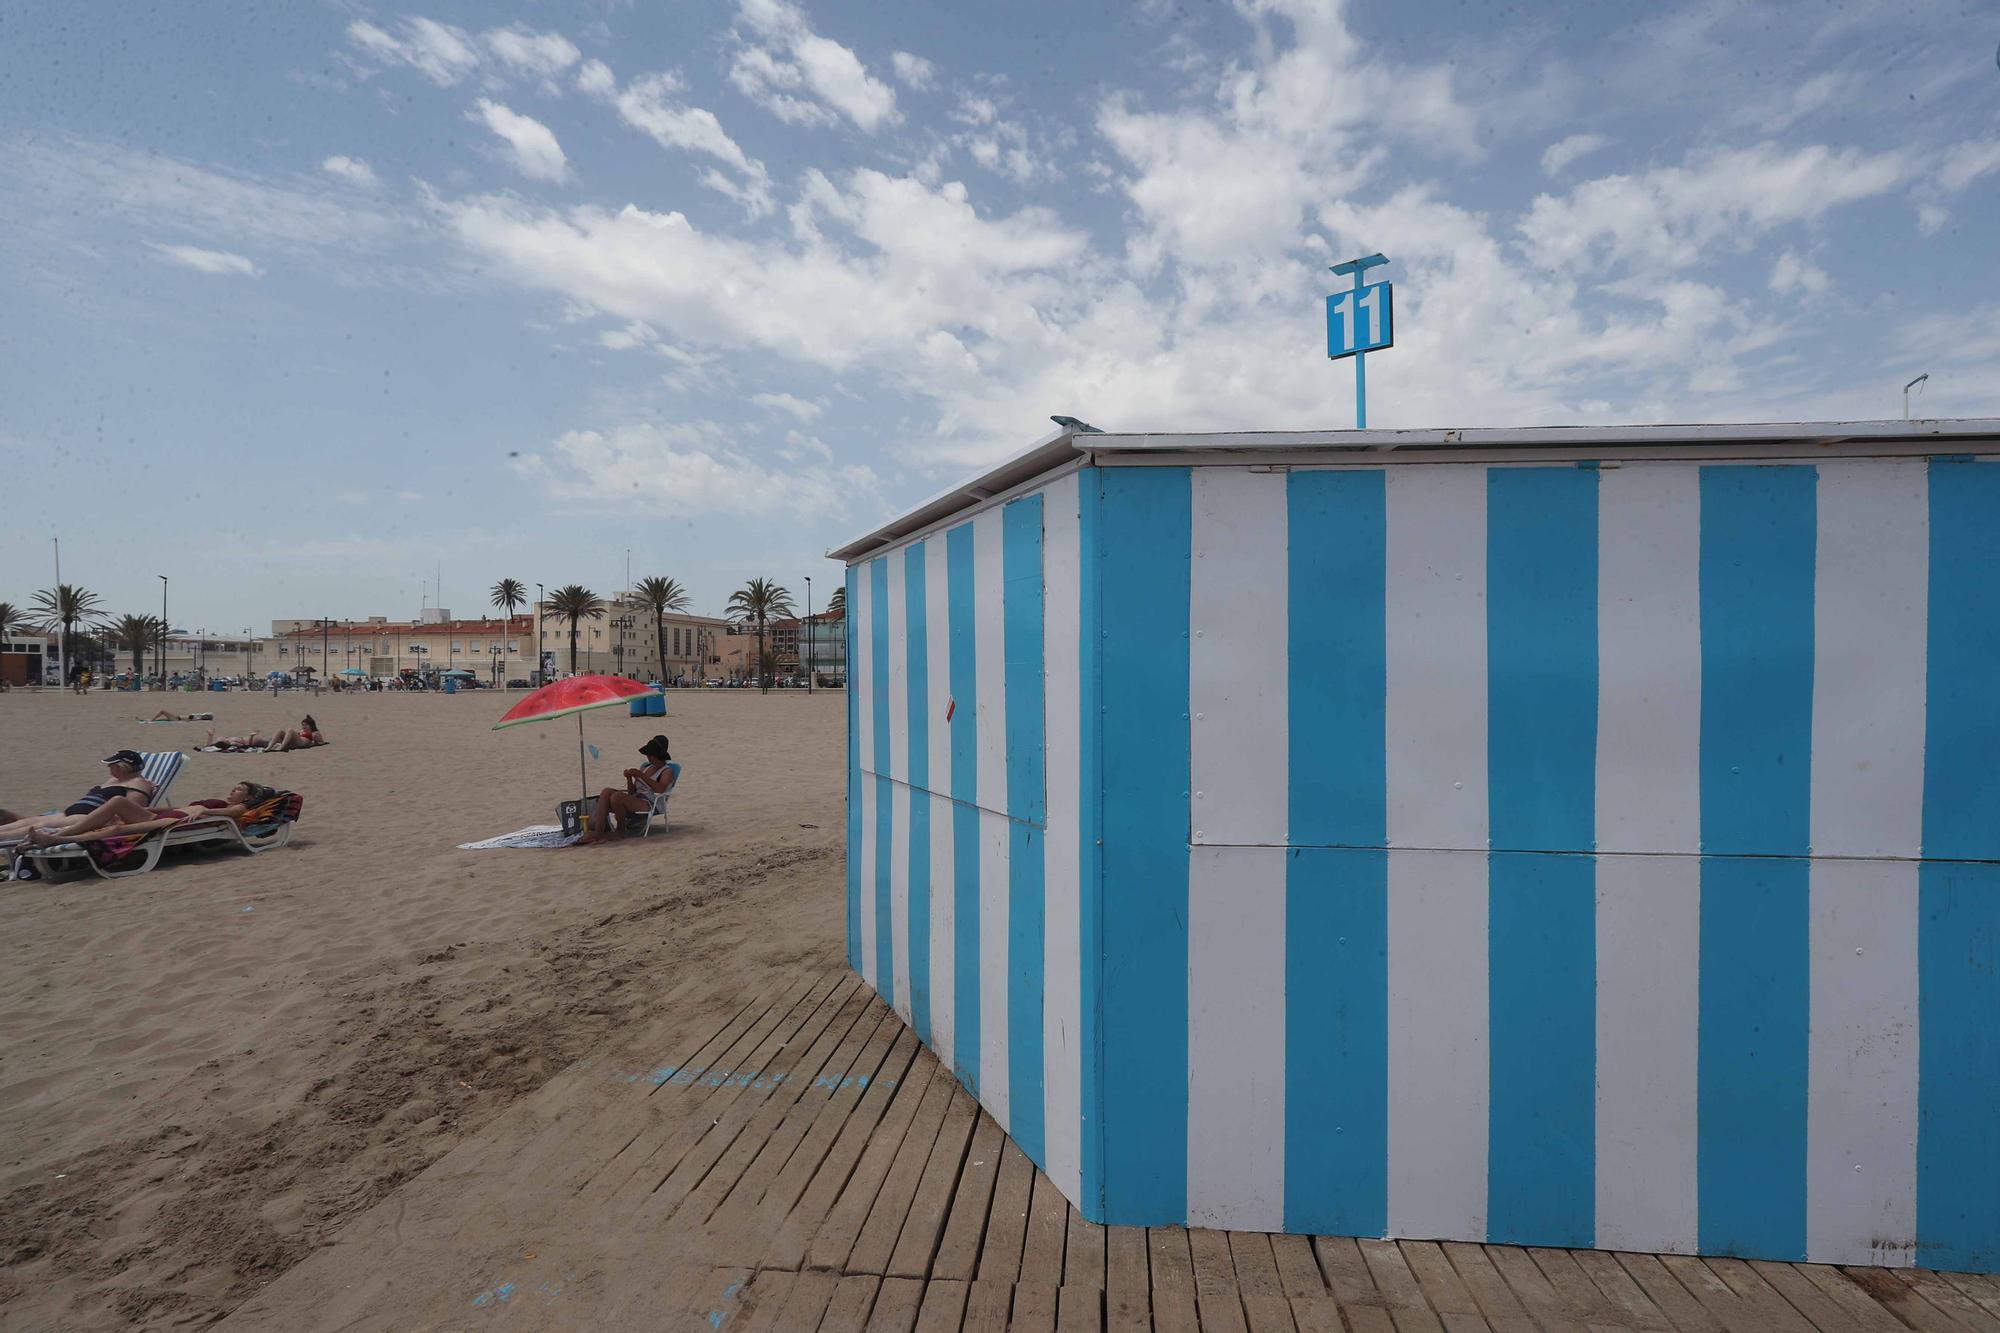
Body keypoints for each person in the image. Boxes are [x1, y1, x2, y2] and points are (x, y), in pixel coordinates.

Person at [21, 782, 282, 847]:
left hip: (177, 823)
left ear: (247, 797)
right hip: (170, 815)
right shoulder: (221, 799)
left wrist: (204, 809)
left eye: (239, 788)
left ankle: (59, 839)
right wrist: (148, 810)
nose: (233, 789)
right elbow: (178, 807)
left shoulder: (241, 808)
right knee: (117, 804)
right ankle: (58, 834)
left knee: (116, 827)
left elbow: (227, 812)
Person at [0, 751, 159, 841]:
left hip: (85, 818)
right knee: (25, 822)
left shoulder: (138, 783)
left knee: (35, 827)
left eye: (112, 765)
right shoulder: (114, 780)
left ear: (122, 767)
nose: (109, 768)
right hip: (69, 812)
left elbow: (132, 810)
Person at [581, 735, 677, 842]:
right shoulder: (646, 767)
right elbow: (632, 792)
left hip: (650, 802)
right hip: (636, 798)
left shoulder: (667, 771)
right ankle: (598, 832)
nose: (648, 758)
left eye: (650, 755)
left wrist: (641, 775)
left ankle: (621, 831)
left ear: (658, 755)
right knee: (606, 791)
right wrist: (629, 779)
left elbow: (660, 789)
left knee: (617, 797)